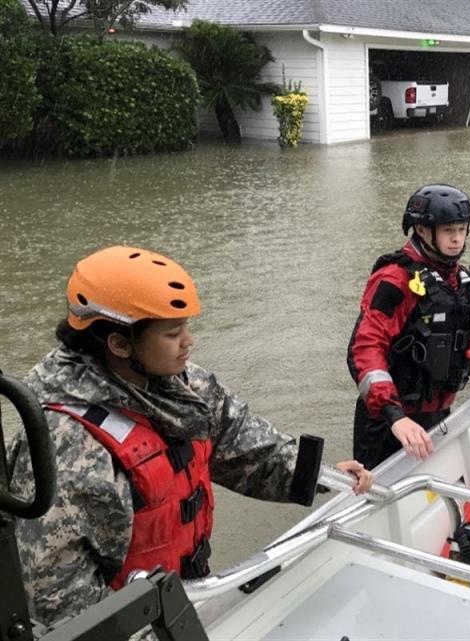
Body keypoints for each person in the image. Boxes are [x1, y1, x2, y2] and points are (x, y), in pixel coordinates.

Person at [6, 246, 374, 628]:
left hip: (185, 599)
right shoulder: (67, 444)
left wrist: (319, 475)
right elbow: (55, 596)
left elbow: (244, 446)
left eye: (186, 327)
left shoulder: (183, 387)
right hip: (136, 625)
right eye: (172, 332)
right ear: (119, 344)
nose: (189, 341)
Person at [348, 184, 470, 469]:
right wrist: (395, 416)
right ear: (421, 230)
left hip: (437, 414)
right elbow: (366, 349)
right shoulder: (395, 280)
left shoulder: (461, 280)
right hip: (388, 422)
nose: (456, 239)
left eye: (461, 230)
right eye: (447, 231)